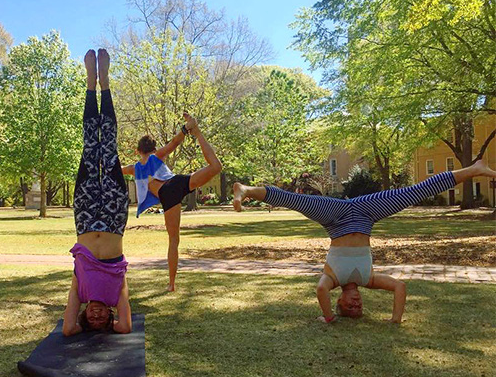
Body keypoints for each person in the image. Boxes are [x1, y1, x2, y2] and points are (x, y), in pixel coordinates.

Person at [233, 161, 496, 323]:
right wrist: (394, 321)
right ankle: (474, 169)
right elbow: (400, 287)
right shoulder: (367, 279)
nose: (357, 303)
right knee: (414, 192)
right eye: (360, 307)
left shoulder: (331, 280)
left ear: (340, 303)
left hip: (334, 218)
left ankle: (245, 190)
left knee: (294, 200)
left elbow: (320, 291)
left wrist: (328, 317)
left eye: (351, 307)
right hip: (366, 213)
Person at [63, 49, 131, 336]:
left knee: (91, 148)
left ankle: (90, 83)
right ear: (110, 316)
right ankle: (105, 82)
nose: (96, 315)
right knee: (109, 149)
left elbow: (67, 330)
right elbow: (126, 327)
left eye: (91, 319)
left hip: (86, 216)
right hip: (115, 218)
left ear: (84, 317)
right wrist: (114, 325)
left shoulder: (80, 289)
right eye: (102, 320)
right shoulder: (117, 295)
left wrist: (77, 325)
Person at [122, 115, 222, 292]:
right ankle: (198, 133)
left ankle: (172, 284)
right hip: (176, 183)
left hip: (167, 195)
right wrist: (186, 129)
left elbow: (116, 170)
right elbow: (174, 143)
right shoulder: (156, 157)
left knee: (173, 240)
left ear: (138, 151)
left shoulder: (135, 168)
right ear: (153, 149)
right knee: (215, 167)